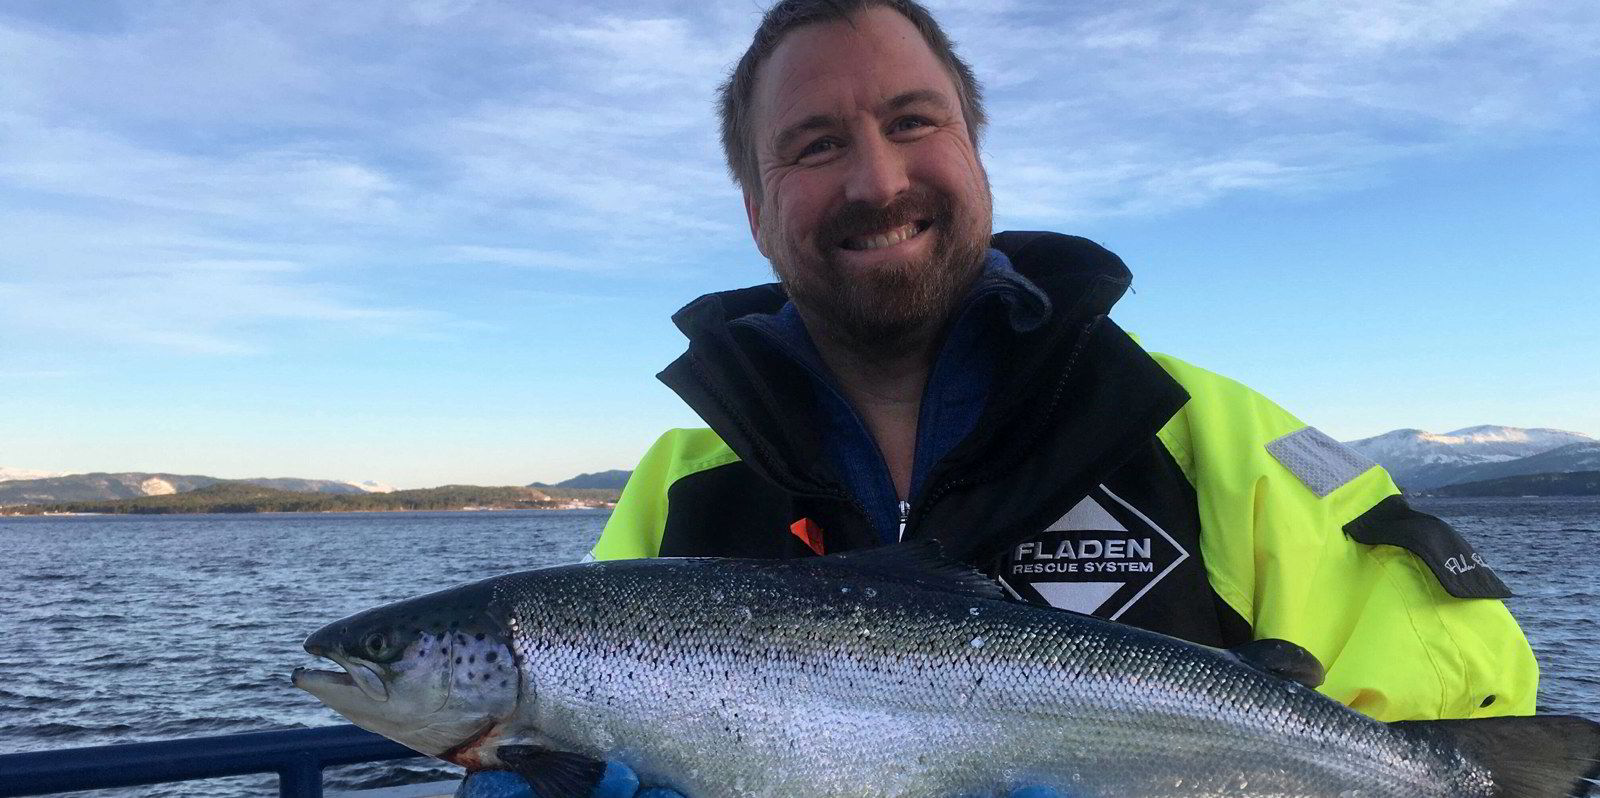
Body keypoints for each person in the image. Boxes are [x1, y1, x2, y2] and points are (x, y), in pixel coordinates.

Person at [464, 1, 1538, 795]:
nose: (877, 181)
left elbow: (1461, 735)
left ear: (974, 154)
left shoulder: (1225, 445)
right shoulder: (673, 495)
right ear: (755, 210)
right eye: (816, 145)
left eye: (912, 121)